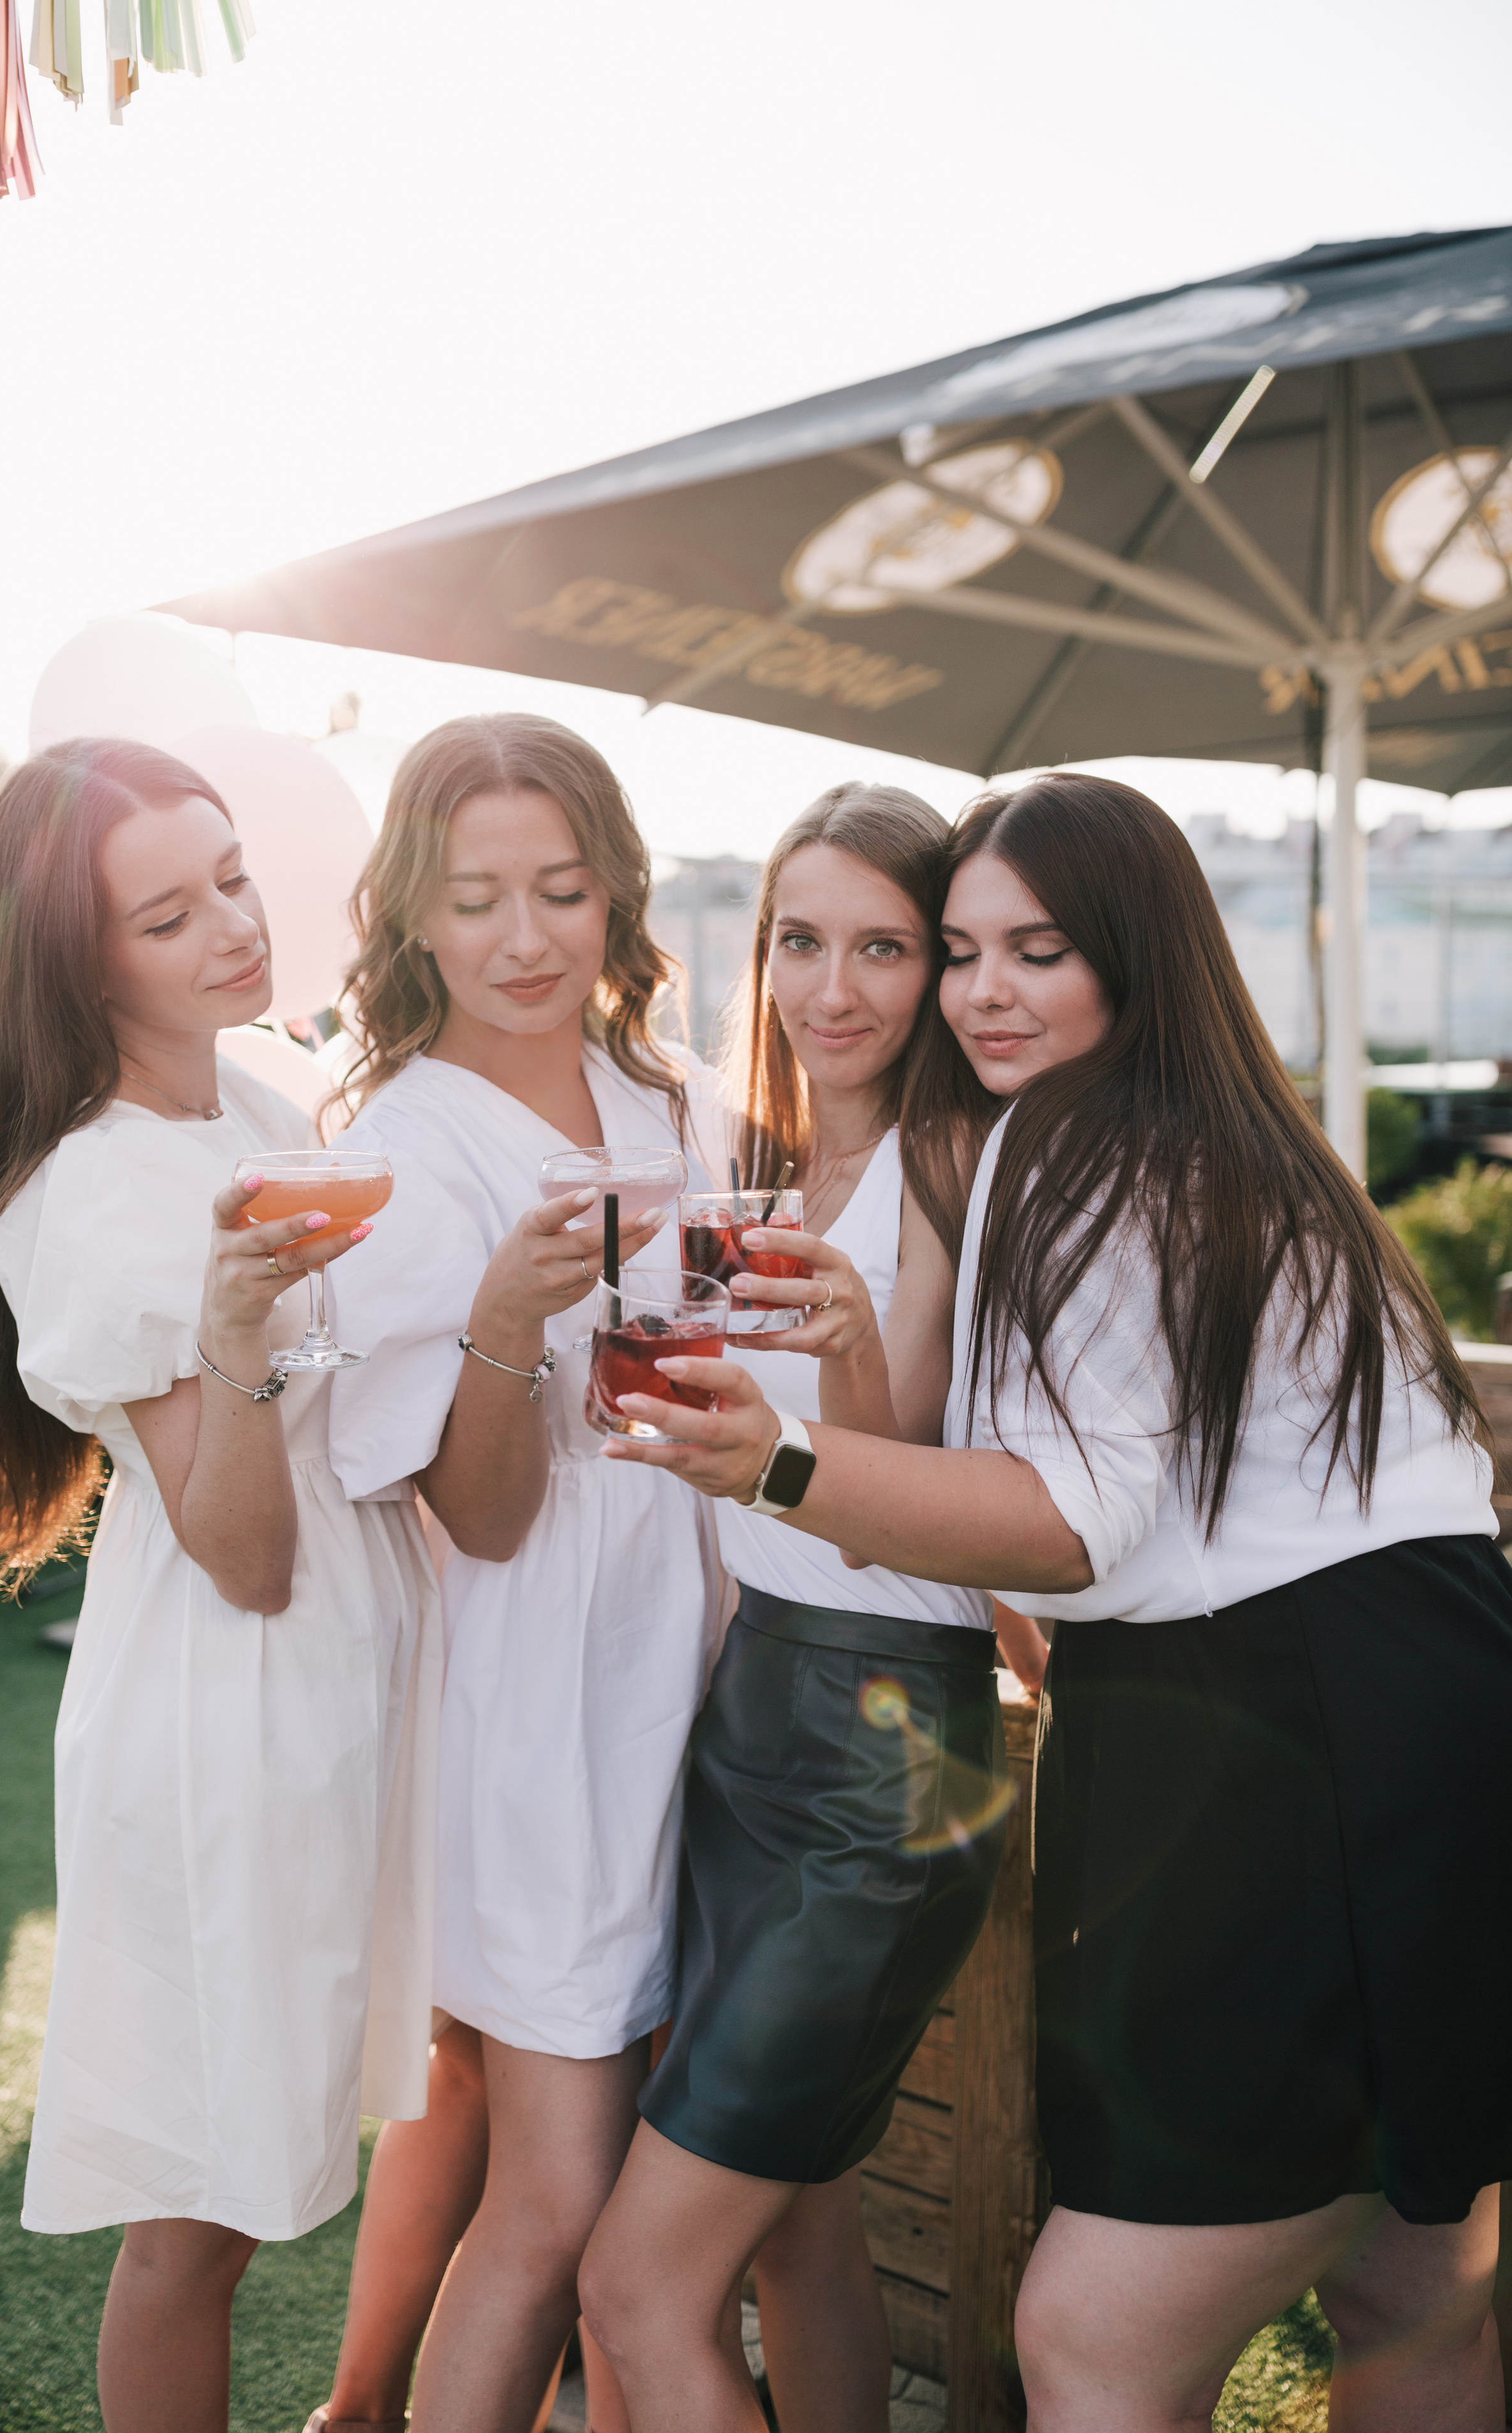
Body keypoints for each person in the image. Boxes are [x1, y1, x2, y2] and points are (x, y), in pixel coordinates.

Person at [581, 772, 1511, 2433]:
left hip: (1305, 1727)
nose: (984, 991)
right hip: (1386, 1699)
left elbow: (1074, 1520)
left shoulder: (1075, 1148)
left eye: (1041, 950)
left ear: (1137, 961)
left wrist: (774, 1463)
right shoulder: (1219, 1137)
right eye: (966, 949)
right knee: (1403, 2287)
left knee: (1091, 2337)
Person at [0, 740, 446, 2433]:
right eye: (172, 910)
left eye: (231, 872)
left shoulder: (258, 1104)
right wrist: (233, 1341)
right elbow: (245, 1545)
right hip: (231, 1709)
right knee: (201, 2213)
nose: (235, 923)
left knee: (324, 2138)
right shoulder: (87, 1194)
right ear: (85, 963)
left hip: (346, 1671)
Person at [565, 779, 1042, 2433]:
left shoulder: (971, 1166)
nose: (832, 988)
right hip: (753, 1708)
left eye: (883, 947)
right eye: (800, 939)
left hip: (895, 1742)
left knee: (634, 2286)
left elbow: (948, 1499)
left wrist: (839, 1358)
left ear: (948, 961)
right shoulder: (759, 1177)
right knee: (800, 2231)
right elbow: (731, 1454)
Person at [307, 712, 729, 2433]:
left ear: (619, 889)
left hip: (684, 1671)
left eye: (563, 889)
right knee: (557, 2207)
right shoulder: (399, 1141)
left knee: (515, 2123)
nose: (527, 937)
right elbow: (477, 1520)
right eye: (477, 898)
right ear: (413, 915)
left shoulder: (675, 1096)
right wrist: (500, 1321)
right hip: (532, 1712)